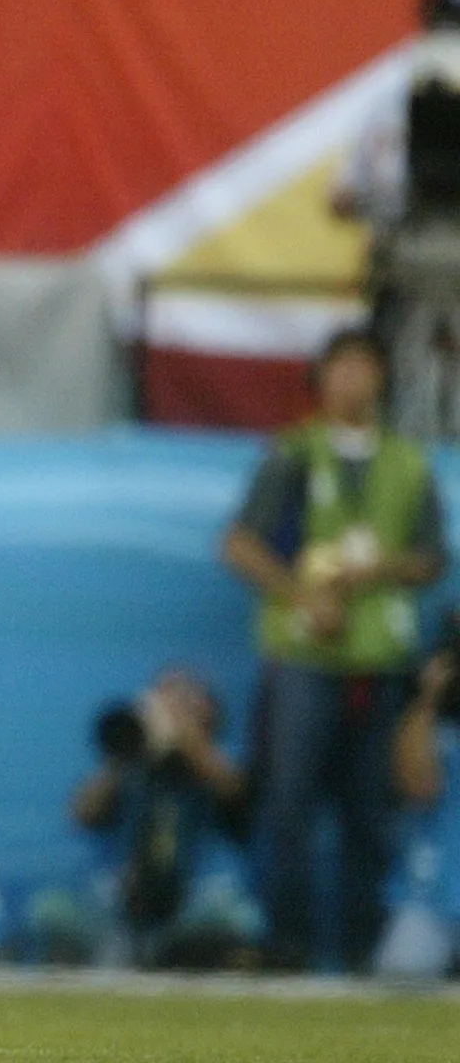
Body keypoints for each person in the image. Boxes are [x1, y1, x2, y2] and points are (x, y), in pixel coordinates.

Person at [222, 328, 448, 972]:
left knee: (371, 815)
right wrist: (303, 595)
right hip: (304, 657)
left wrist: (375, 570)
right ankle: (287, 945)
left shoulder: (407, 462)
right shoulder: (294, 455)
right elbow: (239, 545)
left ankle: (363, 952)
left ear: (381, 377)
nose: (352, 379)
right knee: (288, 806)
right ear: (320, 379)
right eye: (339, 366)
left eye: (364, 366)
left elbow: (432, 560)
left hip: (380, 660)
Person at [333, 0, 460, 435]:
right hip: (406, 265)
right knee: (403, 379)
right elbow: (344, 195)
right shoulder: (392, 98)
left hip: (413, 256)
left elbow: (344, 198)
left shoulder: (394, 95)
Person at [63, 670, 254, 969]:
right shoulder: (131, 764)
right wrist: (124, 750)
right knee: (55, 911)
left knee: (235, 921)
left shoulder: (221, 758)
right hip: (126, 901)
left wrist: (187, 738)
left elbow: (235, 791)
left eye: (181, 701)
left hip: (200, 900)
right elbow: (82, 813)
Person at [378, 640, 460, 978]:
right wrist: (429, 697)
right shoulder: (438, 733)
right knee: (403, 971)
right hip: (436, 895)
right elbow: (417, 784)